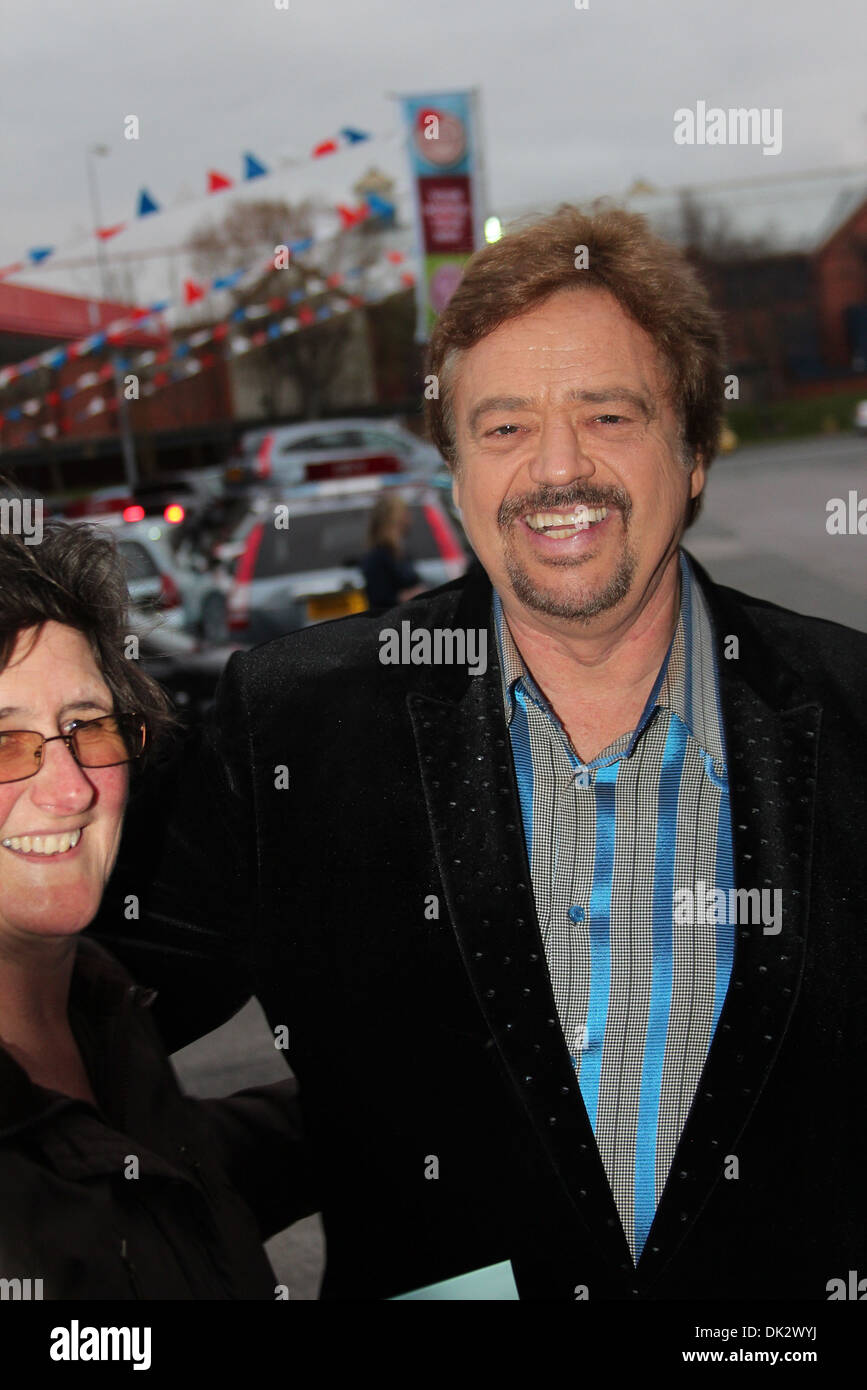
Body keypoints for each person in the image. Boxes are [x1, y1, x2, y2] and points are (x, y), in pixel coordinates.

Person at [94, 204, 867, 1301]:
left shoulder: (851, 711)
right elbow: (73, 1002)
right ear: (455, 471)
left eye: (607, 414)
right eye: (503, 429)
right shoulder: (298, 728)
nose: (559, 469)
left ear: (694, 450)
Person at [0, 520, 314, 1299]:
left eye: (88, 727)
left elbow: (154, 1179)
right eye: (3, 744)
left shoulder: (102, 1006)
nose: (72, 789)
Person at [359, 492, 424, 608]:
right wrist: (409, 595)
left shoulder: (399, 553)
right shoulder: (377, 557)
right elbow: (380, 599)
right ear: (395, 519)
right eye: (405, 514)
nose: (410, 519)